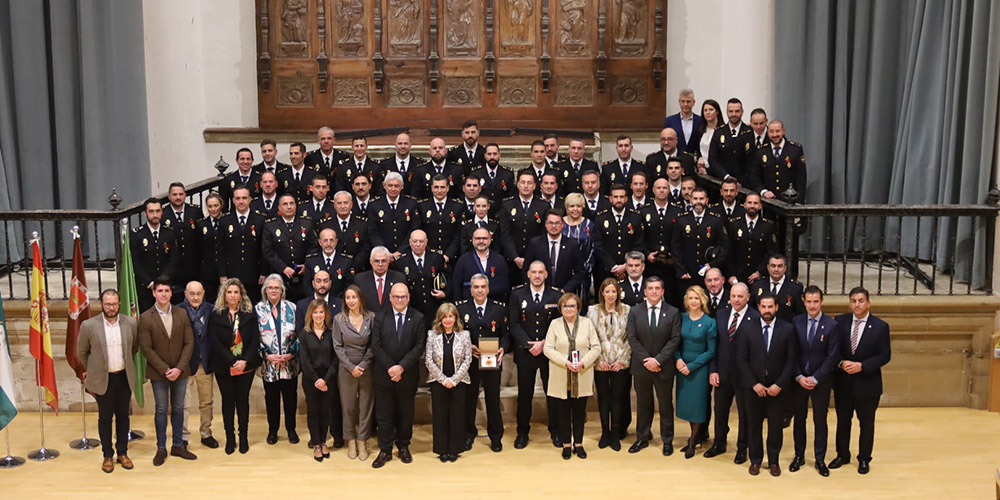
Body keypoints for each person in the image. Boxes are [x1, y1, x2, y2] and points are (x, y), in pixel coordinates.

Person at [831, 287, 892, 475]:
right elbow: (833, 350)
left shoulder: (880, 326)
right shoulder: (839, 322)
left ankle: (864, 458)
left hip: (867, 384)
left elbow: (884, 355)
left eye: (860, 301)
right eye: (853, 301)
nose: (857, 304)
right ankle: (842, 455)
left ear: (868, 303)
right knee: (843, 421)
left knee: (866, 423)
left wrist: (862, 366)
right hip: (844, 383)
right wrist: (841, 363)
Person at [77, 289, 139, 473]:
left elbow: (134, 348)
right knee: (105, 418)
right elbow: (81, 352)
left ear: (119, 304)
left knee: (123, 417)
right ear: (101, 304)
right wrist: (94, 368)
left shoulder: (130, 323)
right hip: (103, 379)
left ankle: (122, 452)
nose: (111, 308)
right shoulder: (89, 325)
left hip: (123, 377)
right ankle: (107, 455)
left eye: (114, 304)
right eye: (107, 304)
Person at [738, 292, 797, 477]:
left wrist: (779, 384)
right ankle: (755, 460)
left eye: (770, 307)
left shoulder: (787, 329)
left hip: (777, 390)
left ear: (776, 308)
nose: (767, 310)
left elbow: (791, 361)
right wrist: (753, 384)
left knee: (775, 427)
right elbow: (741, 359)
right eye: (763, 307)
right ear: (758, 308)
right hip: (754, 389)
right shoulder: (747, 328)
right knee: (753, 426)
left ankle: (773, 461)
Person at [138, 277, 196, 465]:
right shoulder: (146, 317)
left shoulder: (182, 313)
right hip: (159, 373)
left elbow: (189, 342)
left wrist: (179, 368)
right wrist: (165, 369)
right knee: (162, 409)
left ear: (171, 293)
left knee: (179, 408)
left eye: (167, 291)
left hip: (180, 371)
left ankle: (178, 445)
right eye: (160, 291)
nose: (163, 294)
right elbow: (146, 348)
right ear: (154, 293)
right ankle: (161, 447)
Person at [370, 283, 427, 468]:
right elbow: (376, 346)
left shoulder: (418, 317)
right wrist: (391, 368)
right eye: (396, 296)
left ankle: (403, 446)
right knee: (384, 415)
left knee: (405, 413)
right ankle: (385, 449)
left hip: (407, 375)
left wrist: (401, 367)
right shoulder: (379, 317)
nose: (399, 300)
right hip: (384, 375)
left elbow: (419, 346)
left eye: (403, 297)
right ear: (390, 297)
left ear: (408, 297)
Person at [509, 261, 563, 448]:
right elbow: (514, 324)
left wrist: (544, 344)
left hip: (550, 353)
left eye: (541, 272)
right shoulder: (517, 294)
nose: (537, 275)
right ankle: (522, 432)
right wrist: (527, 344)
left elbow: (559, 325)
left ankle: (555, 430)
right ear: (528, 274)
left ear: (546, 274)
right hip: (526, 353)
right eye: (534, 272)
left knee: (553, 394)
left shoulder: (556, 295)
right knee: (525, 395)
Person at [626, 276, 681, 456]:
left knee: (665, 404)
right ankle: (642, 437)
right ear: (645, 291)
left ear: (663, 291)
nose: (654, 291)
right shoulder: (635, 311)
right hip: (641, 367)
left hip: (663, 367)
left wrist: (657, 360)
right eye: (650, 288)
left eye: (658, 288)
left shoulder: (673, 312)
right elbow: (632, 339)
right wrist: (647, 361)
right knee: (643, 403)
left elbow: (674, 340)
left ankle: (667, 440)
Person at [790, 285, 842, 476]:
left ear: (821, 302)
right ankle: (799, 455)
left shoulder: (832, 325)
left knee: (820, 420)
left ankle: (820, 459)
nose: (812, 306)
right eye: (809, 302)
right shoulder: (796, 322)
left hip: (821, 381)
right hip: (799, 381)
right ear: (803, 301)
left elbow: (832, 356)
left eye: (816, 302)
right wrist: (799, 376)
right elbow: (791, 354)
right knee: (799, 420)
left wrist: (816, 377)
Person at [704, 282, 759, 463]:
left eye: (740, 297)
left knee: (745, 414)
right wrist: (713, 370)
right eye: (734, 296)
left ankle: (742, 448)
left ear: (748, 298)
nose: (736, 300)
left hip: (745, 377)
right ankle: (719, 443)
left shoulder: (755, 317)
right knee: (720, 411)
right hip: (722, 373)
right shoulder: (720, 314)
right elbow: (714, 346)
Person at [455, 274, 509, 452]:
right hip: (469, 361)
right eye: (476, 287)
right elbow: (454, 333)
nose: (479, 290)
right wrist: (467, 346)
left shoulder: (499, 309)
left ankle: (496, 436)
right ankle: (467, 434)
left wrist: (502, 347)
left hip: (492, 360)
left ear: (488, 289)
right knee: (469, 399)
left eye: (482, 287)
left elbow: (506, 335)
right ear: (470, 289)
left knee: (493, 398)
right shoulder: (460, 309)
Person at [544, 293, 601, 459]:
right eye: (565, 306)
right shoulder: (555, 324)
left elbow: (596, 347)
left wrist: (583, 362)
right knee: (562, 412)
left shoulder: (587, 323)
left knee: (579, 412)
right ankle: (566, 444)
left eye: (572, 306)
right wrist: (565, 362)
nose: (568, 309)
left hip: (581, 374)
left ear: (578, 308)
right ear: (561, 308)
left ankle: (579, 444)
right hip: (561, 373)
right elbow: (548, 348)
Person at [209, 278, 262, 455]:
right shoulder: (216, 314)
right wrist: (231, 361)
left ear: (241, 295)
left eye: (236, 292)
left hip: (245, 365)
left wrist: (244, 360)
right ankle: (230, 438)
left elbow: (255, 339)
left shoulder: (249, 313)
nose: (232, 295)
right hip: (224, 365)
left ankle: (244, 437)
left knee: (242, 401)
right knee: (227, 401)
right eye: (229, 292)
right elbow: (214, 341)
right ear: (224, 294)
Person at [425, 303, 473, 462]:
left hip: (458, 382)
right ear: (440, 318)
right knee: (440, 416)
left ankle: (454, 449)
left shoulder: (464, 335)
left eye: (450, 316)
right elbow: (428, 360)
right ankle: (442, 449)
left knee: (457, 415)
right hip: (438, 382)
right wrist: (443, 379)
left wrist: (454, 380)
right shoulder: (432, 335)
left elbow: (468, 359)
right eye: (444, 316)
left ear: (455, 318)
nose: (447, 319)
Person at [255, 274, 300, 445]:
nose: (273, 290)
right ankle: (273, 430)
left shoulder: (292, 308)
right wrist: (266, 355)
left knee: (290, 398)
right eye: (270, 287)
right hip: (269, 365)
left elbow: (300, 334)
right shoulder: (257, 309)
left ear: (282, 290)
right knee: (271, 399)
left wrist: (292, 353)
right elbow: (254, 336)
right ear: (265, 290)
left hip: (289, 364)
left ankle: (291, 429)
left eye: (277, 287)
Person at [333, 285, 376, 460]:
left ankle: (362, 441)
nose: (351, 301)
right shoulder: (338, 319)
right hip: (346, 367)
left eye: (354, 297)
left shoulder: (371, 317)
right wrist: (351, 367)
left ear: (360, 299)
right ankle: (350, 440)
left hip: (366, 366)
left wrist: (363, 364)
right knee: (348, 407)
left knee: (366, 406)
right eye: (348, 297)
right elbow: (337, 345)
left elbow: (374, 344)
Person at [674, 286, 717, 459]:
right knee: (688, 406)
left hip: (699, 369)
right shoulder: (681, 318)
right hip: (681, 367)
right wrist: (678, 359)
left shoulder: (709, 322)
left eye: (696, 298)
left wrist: (691, 366)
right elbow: (675, 342)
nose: (693, 301)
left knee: (698, 406)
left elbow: (711, 350)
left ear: (702, 300)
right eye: (690, 298)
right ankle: (696, 436)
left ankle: (693, 441)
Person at [589, 278, 631, 451]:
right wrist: (599, 360)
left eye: (614, 291)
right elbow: (590, 337)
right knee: (603, 397)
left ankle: (616, 433)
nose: (611, 295)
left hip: (620, 364)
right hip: (601, 363)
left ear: (618, 293)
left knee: (618, 398)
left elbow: (630, 338)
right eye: (607, 291)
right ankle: (605, 432)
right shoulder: (592, 311)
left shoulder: (627, 310)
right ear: (602, 293)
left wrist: (622, 360)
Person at [177, 281, 219, 449]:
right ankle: (183, 436)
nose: (195, 297)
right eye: (191, 294)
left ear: (203, 293)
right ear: (186, 294)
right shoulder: (178, 311)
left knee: (206, 402)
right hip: (186, 365)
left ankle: (206, 433)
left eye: (198, 293)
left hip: (206, 364)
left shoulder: (212, 310)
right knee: (184, 404)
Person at [299, 299, 338, 462]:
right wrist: (317, 379)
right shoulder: (305, 334)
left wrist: (326, 379)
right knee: (313, 411)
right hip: (311, 379)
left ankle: (323, 441)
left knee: (325, 411)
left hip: (328, 378)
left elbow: (336, 358)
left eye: (321, 312)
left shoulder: (332, 332)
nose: (318, 315)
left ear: (326, 314)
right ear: (311, 314)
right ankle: (315, 443)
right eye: (315, 312)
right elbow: (304, 360)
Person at [671, 187, 729, 293]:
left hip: (708, 273)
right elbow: (675, 247)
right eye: (695, 199)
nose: (698, 202)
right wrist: (681, 271)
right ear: (691, 200)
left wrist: (713, 265)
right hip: (687, 273)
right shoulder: (681, 220)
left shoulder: (715, 220)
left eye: (701, 199)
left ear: (706, 200)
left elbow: (724, 246)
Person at [263, 193, 317, 302]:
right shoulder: (270, 225)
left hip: (303, 275)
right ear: (279, 208)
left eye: (291, 203)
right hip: (280, 275)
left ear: (296, 206)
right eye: (285, 204)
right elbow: (267, 250)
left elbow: (314, 246)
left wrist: (306, 264)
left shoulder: (306, 222)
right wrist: (283, 267)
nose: (289, 207)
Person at [217, 186, 267, 303]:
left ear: (250, 199)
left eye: (244, 198)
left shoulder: (260, 220)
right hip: (232, 274)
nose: (241, 201)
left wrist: (264, 272)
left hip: (254, 274)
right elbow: (220, 250)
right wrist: (222, 274)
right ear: (233, 200)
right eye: (238, 198)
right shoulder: (224, 221)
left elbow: (264, 248)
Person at [593, 184, 646, 288]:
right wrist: (613, 266)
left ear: (626, 199)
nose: (618, 200)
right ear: (610, 199)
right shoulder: (601, 217)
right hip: (606, 270)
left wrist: (626, 266)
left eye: (621, 197)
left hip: (630, 271)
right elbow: (598, 246)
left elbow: (639, 244)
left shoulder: (636, 217)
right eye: (615, 197)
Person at [131, 198, 178, 312]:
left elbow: (173, 259)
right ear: (145, 213)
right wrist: (150, 283)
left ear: (162, 212)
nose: (155, 215)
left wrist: (162, 282)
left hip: (166, 287)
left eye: (158, 211)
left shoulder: (170, 233)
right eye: (151, 211)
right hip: (145, 288)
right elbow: (136, 263)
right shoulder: (137, 234)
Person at [523, 209, 587, 293]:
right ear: (546, 224)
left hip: (564, 294)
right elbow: (526, 270)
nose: (554, 226)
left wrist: (565, 290)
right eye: (551, 223)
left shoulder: (572, 245)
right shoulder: (535, 244)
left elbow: (580, 272)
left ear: (562, 225)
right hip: (541, 294)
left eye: (557, 223)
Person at [726, 193, 778, 286]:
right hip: (738, 276)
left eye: (755, 203)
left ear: (760, 206)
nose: (752, 206)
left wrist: (760, 272)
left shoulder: (768, 226)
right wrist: (731, 275)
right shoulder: (734, 224)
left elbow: (771, 253)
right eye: (749, 203)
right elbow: (729, 251)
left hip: (759, 277)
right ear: (744, 205)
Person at [161, 183, 202, 301]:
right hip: (173, 268)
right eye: (174, 194)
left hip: (193, 266)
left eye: (180, 194)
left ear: (185, 195)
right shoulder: (163, 214)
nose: (178, 197)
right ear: (169, 196)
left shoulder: (195, 211)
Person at [367, 172, 420, 258]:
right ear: (384, 185)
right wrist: (384, 251)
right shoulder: (375, 205)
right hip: (382, 255)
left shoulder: (411, 204)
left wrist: (400, 251)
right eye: (390, 185)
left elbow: (414, 229)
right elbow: (373, 232)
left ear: (402, 186)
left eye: (396, 186)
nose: (393, 189)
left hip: (406, 253)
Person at [451, 227, 510, 302]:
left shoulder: (500, 260)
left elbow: (505, 285)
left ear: (490, 240)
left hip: (494, 307)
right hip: (468, 307)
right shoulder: (463, 260)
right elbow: (456, 287)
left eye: (484, 238)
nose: (481, 241)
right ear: (472, 241)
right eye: (478, 238)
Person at [707, 98, 754, 182]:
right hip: (722, 181)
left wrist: (743, 180)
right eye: (731, 111)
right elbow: (712, 158)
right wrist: (725, 176)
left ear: (742, 112)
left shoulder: (750, 132)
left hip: (745, 184)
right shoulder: (719, 132)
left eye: (737, 111)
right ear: (726, 112)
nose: (734, 114)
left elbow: (753, 160)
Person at [749, 254, 804, 321]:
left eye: (780, 266)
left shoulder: (795, 288)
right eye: (773, 266)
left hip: (784, 329)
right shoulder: (757, 285)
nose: (776, 269)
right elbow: (750, 309)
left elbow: (800, 315)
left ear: (785, 268)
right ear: (768, 267)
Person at [302, 228, 353, 299]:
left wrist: (335, 302)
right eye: (325, 240)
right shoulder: (311, 261)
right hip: (316, 304)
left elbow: (349, 286)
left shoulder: (346, 261)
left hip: (339, 304)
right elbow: (307, 286)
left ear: (336, 242)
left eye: (331, 240)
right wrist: (319, 300)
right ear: (320, 242)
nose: (328, 244)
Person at [561, 193, 595, 301]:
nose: (575, 209)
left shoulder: (589, 225)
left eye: (578, 206)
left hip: (582, 274)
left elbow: (593, 249)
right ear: (567, 208)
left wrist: (583, 270)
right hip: (562, 273)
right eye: (572, 206)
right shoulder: (560, 224)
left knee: (580, 303)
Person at [355, 246, 407, 314]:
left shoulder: (399, 278)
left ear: (388, 261)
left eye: (383, 261)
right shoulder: (360, 279)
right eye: (376, 261)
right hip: (368, 321)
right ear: (371, 261)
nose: (380, 264)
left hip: (391, 321)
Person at [196, 193, 225, 303]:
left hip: (226, 269)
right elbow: (198, 249)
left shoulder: (227, 221)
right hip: (208, 271)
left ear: (221, 205)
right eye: (210, 206)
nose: (213, 209)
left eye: (216, 205)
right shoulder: (201, 225)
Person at [663, 88, 704, 155]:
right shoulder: (670, 121)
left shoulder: (700, 121)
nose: (685, 104)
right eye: (683, 101)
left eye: (688, 101)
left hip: (694, 160)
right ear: (679, 102)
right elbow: (664, 141)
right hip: (675, 159)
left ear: (693, 102)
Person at [695, 99, 724, 175]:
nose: (708, 112)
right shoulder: (700, 130)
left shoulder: (723, 131)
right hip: (702, 170)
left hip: (718, 171)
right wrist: (699, 159)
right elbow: (698, 150)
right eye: (705, 110)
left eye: (711, 110)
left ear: (717, 112)